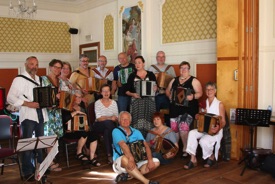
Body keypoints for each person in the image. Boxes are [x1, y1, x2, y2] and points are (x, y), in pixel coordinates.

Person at [7, 56, 48, 181]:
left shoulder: (39, 79)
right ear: (25, 65)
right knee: (28, 145)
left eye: (36, 64)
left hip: (41, 114)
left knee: (40, 145)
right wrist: (27, 104)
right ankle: (27, 171)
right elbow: (10, 98)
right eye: (31, 64)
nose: (34, 67)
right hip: (28, 116)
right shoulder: (19, 79)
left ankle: (41, 170)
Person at [184, 82, 226, 169]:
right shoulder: (203, 103)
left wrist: (218, 128)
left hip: (215, 131)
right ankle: (193, 159)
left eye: (211, 89)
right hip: (203, 128)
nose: (209, 91)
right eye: (207, 89)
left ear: (215, 91)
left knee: (203, 141)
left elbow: (223, 122)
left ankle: (211, 156)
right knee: (192, 133)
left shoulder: (220, 104)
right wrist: (197, 116)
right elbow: (200, 116)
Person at [166, 61, 203, 158]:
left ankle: (185, 148)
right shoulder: (174, 80)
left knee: (183, 128)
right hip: (175, 108)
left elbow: (200, 93)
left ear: (189, 69)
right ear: (179, 69)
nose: (183, 70)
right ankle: (176, 148)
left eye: (186, 68)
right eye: (182, 68)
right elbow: (167, 90)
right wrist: (169, 96)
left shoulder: (193, 80)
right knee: (174, 129)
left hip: (188, 109)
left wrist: (193, 96)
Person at [112, 111, 160, 184]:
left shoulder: (136, 132)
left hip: (138, 161)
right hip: (121, 163)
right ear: (119, 121)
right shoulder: (116, 131)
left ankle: (129, 175)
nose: (125, 121)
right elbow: (123, 145)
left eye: (127, 119)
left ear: (130, 121)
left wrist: (150, 160)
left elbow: (146, 146)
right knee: (125, 158)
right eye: (123, 119)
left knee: (156, 162)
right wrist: (131, 158)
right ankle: (146, 181)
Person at [62, 90, 100, 167]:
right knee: (84, 133)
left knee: (93, 133)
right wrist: (75, 113)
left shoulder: (82, 106)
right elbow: (64, 120)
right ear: (72, 97)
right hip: (70, 131)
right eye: (77, 97)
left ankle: (91, 157)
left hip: (81, 130)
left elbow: (86, 119)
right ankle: (79, 152)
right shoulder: (66, 106)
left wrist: (88, 126)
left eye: (80, 97)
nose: (79, 99)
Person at [126, 56, 157, 137]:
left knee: (149, 120)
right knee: (136, 121)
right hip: (137, 102)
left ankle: (149, 140)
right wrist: (133, 94)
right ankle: (137, 139)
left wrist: (155, 88)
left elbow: (156, 88)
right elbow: (126, 91)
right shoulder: (132, 76)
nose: (137, 64)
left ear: (143, 63)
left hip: (149, 102)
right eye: (135, 63)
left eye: (139, 62)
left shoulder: (151, 74)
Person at [94, 84, 118, 164]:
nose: (106, 93)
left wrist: (107, 117)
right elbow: (99, 118)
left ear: (110, 92)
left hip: (109, 126)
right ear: (101, 93)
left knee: (107, 131)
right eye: (104, 91)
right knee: (108, 124)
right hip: (98, 125)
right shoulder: (97, 103)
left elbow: (116, 117)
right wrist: (110, 118)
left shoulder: (114, 103)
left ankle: (109, 155)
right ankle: (115, 148)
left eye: (107, 91)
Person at [42, 59, 63, 138]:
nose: (57, 69)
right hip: (48, 111)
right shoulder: (43, 79)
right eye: (55, 67)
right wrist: (54, 96)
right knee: (49, 136)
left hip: (57, 111)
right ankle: (48, 150)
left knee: (56, 136)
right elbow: (42, 96)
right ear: (50, 67)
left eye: (59, 68)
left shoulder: (60, 81)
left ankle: (55, 150)